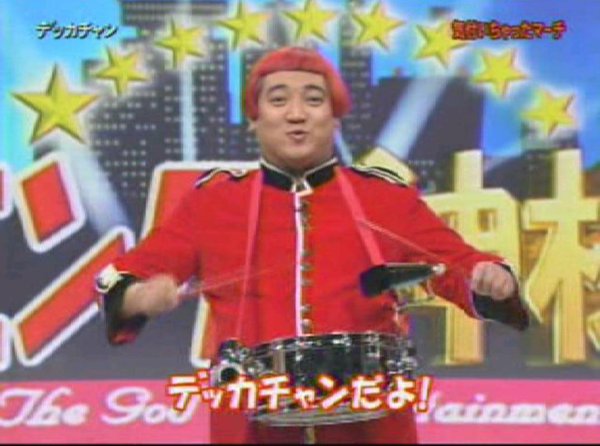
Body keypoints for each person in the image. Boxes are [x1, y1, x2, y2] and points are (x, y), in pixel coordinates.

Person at [95, 46, 529, 444]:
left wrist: (491, 279)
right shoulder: (215, 202)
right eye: (278, 100)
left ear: (335, 118)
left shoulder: (384, 197)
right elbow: (125, 275)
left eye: (314, 100)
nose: (296, 114)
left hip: (371, 422)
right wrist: (138, 296)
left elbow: (456, 264)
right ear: (255, 118)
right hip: (251, 423)